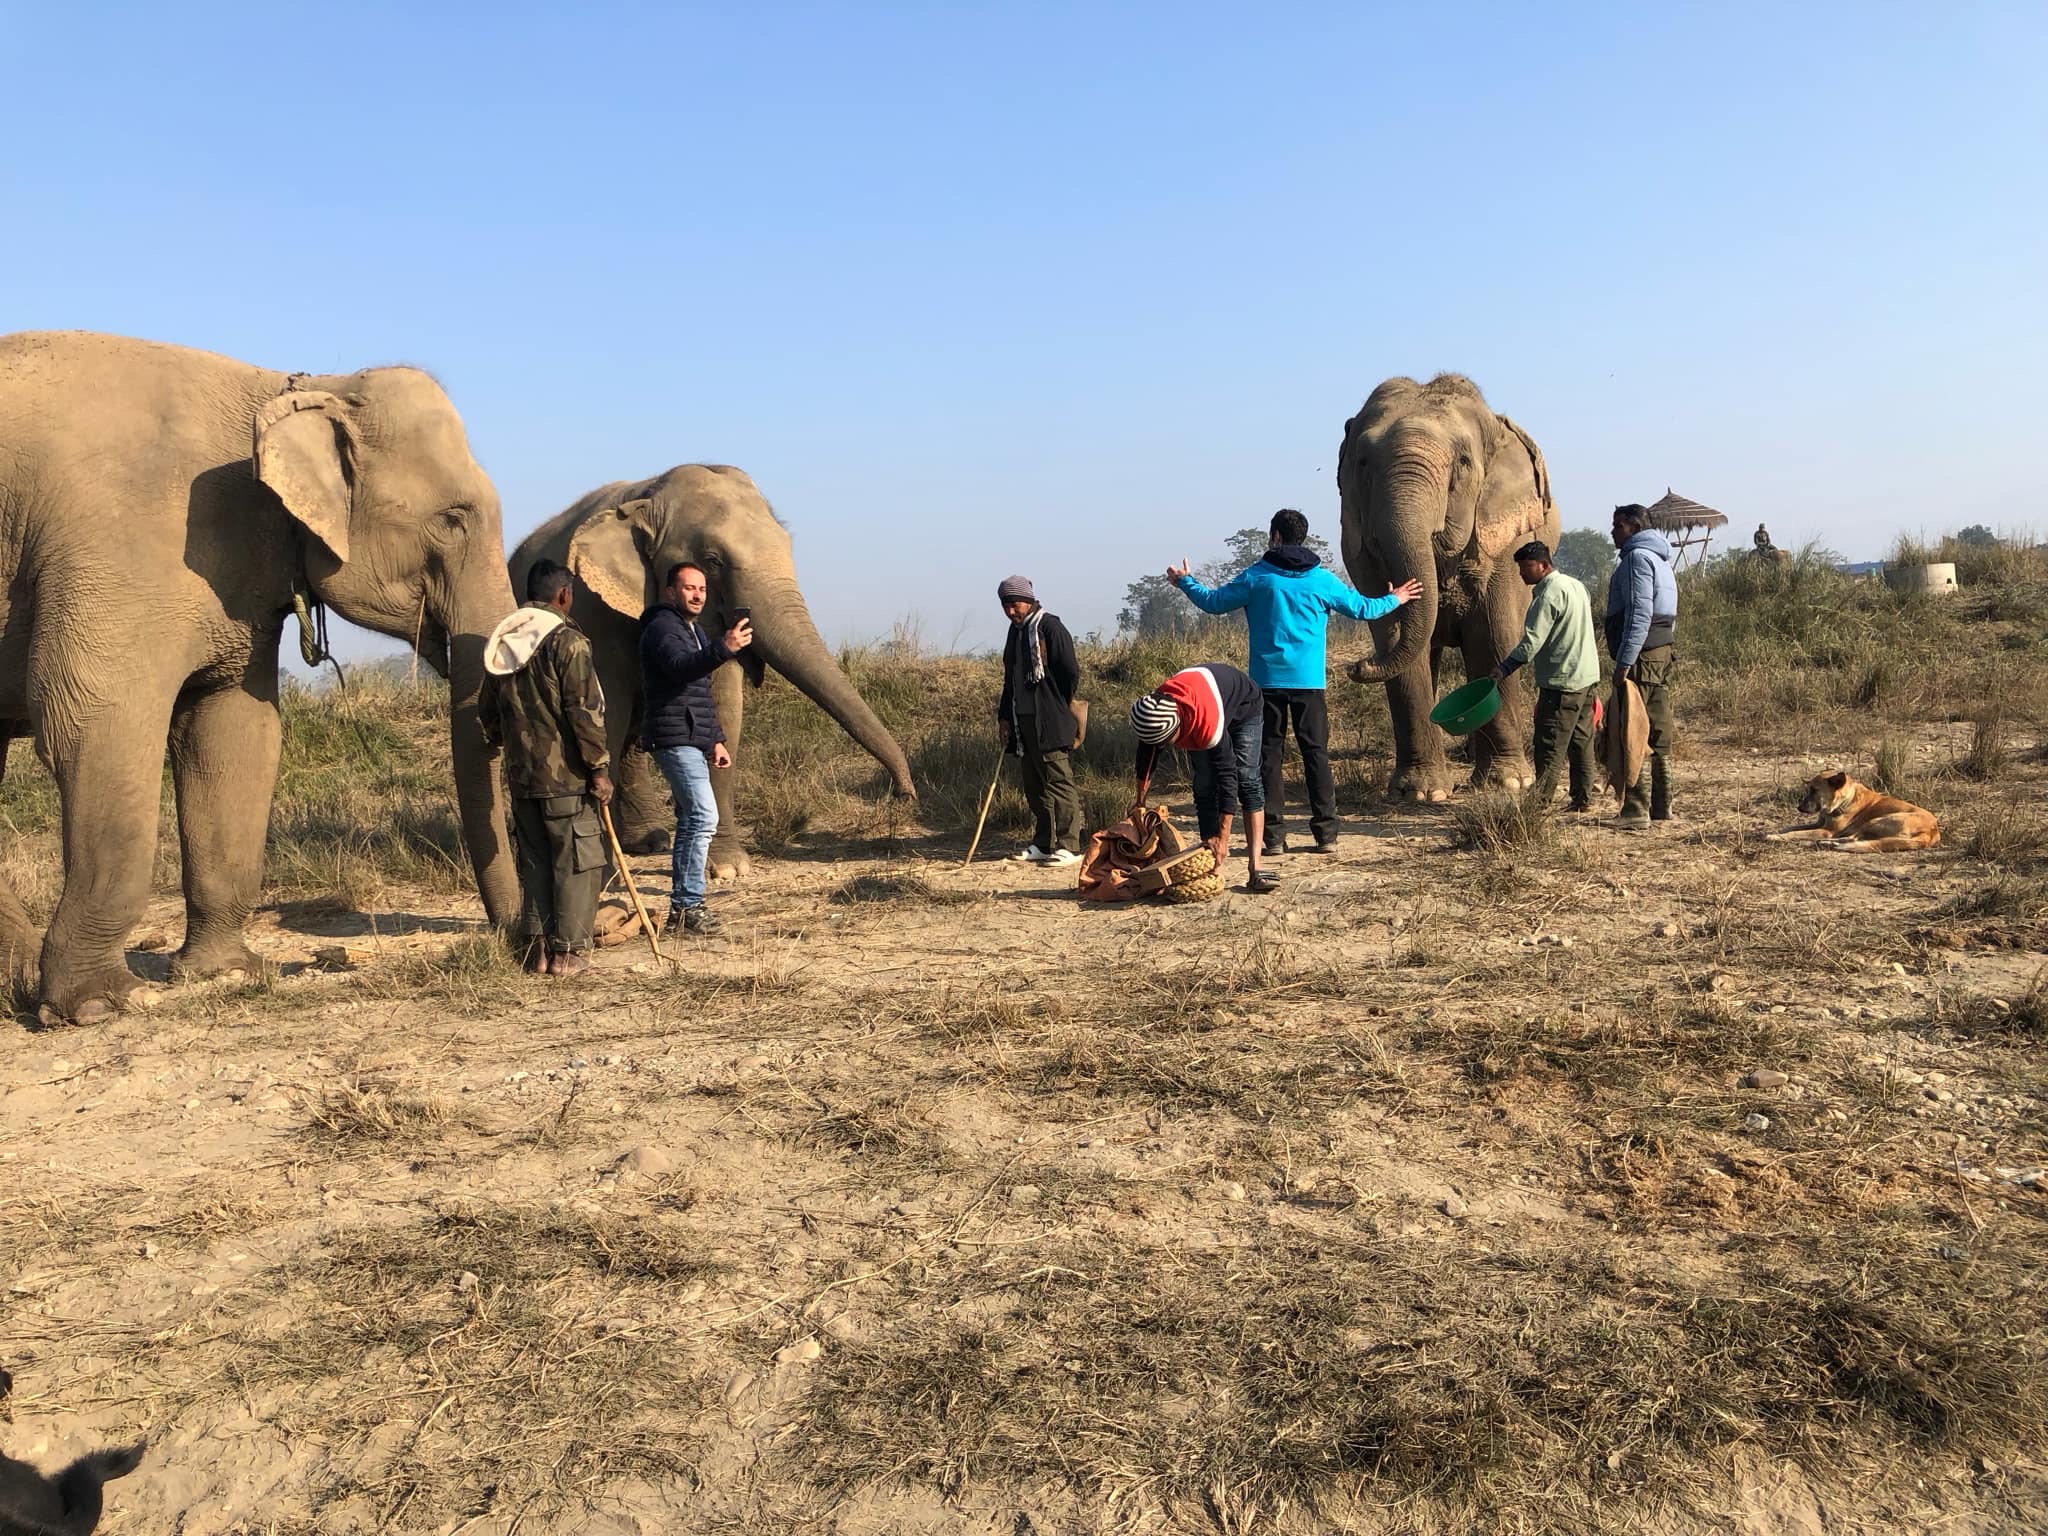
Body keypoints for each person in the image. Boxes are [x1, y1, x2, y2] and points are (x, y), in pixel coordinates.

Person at [1168, 510, 1421, 855]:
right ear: (1303, 537)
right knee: (1315, 755)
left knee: (1267, 759)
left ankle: (1272, 838)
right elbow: (1363, 609)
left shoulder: (1257, 578)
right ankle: (1326, 835)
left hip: (1264, 687)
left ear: (1275, 536)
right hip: (1310, 684)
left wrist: (1186, 581)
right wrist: (1397, 598)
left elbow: (1213, 604)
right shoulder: (1321, 580)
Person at [479, 559, 613, 977]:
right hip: (567, 779)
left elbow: (488, 712)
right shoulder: (568, 642)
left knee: (535, 862)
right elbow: (584, 712)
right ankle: (568, 954)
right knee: (577, 861)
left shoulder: (506, 640)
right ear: (564, 595)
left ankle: (537, 953)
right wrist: (599, 768)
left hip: (523, 780)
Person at [640, 561, 753, 935]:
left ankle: (685, 908)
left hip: (690, 737)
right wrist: (724, 647)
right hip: (672, 737)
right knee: (703, 817)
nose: (697, 595)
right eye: (689, 588)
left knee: (695, 817)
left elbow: (700, 696)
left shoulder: (692, 630)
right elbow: (679, 667)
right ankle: (687, 907)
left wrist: (714, 740)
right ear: (671, 591)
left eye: (702, 589)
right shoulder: (662, 627)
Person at [1128, 662, 1277, 894]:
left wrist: (1224, 838)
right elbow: (1146, 759)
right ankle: (1210, 854)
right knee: (1204, 781)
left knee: (1247, 779)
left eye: (1169, 742)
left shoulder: (1205, 723)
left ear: (1179, 726)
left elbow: (1228, 777)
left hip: (1244, 706)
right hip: (1205, 695)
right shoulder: (1153, 712)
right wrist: (1139, 804)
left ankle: (1255, 866)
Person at [1489, 540, 1599, 812]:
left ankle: (1538, 806)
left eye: (1527, 567)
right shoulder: (1576, 585)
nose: (1522, 573)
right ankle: (1583, 799)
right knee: (1581, 740)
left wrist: (1504, 668)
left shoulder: (1548, 595)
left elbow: (1531, 643)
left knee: (1549, 743)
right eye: (1520, 568)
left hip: (1562, 682)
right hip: (1586, 677)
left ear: (1544, 565)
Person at [994, 575, 1083, 866]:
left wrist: (1056, 701)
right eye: (1005, 605)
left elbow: (1069, 672)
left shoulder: (1050, 627)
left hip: (1050, 718)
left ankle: (1069, 844)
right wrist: (1005, 716)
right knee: (1034, 785)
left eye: (1015, 604)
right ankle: (1042, 843)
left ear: (1029, 601)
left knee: (1058, 781)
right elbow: (1010, 679)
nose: (1010, 611)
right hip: (1023, 721)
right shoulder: (1015, 632)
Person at [1605, 503, 1680, 827]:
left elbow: (1639, 612)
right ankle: (1662, 806)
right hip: (1661, 652)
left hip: (1641, 655)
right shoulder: (1661, 560)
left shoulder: (1636, 559)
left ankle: (1635, 810)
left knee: (1631, 728)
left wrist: (1625, 661)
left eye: (1617, 526)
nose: (1612, 532)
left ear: (1633, 527)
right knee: (1658, 727)